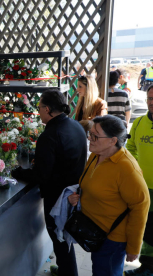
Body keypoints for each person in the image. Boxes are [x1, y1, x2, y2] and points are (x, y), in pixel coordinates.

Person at [12, 89, 87, 276]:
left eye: (39, 108)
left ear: (47, 109)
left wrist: (17, 171)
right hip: (74, 190)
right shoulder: (75, 125)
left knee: (60, 238)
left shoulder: (50, 134)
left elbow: (41, 175)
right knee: (64, 237)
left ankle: (69, 273)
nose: (38, 112)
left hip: (59, 196)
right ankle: (65, 270)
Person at [68, 115, 149, 276]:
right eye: (90, 134)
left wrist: (134, 247)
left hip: (112, 239)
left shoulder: (126, 168)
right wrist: (76, 196)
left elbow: (140, 206)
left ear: (113, 141)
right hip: (94, 231)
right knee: (99, 269)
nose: (90, 138)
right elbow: (90, 183)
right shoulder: (96, 155)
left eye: (95, 135)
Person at [125, 86, 153, 276]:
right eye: (150, 98)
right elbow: (131, 149)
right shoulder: (140, 122)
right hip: (144, 188)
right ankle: (146, 267)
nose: (151, 102)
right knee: (145, 228)